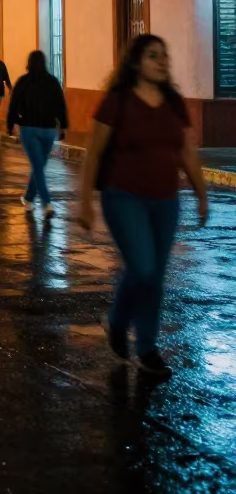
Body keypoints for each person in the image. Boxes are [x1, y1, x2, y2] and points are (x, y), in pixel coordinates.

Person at [78, 34, 209, 379]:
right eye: (153, 56)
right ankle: (118, 322)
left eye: (165, 56)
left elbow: (186, 153)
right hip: (123, 196)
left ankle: (148, 348)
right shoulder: (117, 101)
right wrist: (85, 203)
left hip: (166, 200)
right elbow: (94, 152)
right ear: (136, 63)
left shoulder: (173, 102)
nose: (162, 61)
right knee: (143, 267)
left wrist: (201, 193)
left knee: (155, 277)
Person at [5, 51, 68, 218]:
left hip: (29, 129)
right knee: (39, 166)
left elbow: (14, 104)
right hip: (48, 130)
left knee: (38, 166)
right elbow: (61, 105)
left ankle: (47, 204)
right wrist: (63, 126)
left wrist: (10, 125)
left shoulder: (23, 82)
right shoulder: (53, 82)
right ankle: (28, 199)